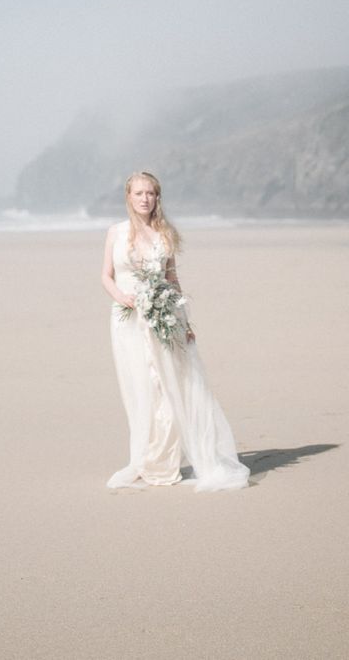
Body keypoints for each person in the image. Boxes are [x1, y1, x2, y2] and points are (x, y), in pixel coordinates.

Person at [101, 171, 250, 492]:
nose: (145, 198)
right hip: (126, 322)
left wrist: (186, 324)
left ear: (157, 198)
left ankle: (163, 464)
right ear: (128, 197)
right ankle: (144, 458)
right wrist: (123, 298)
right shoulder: (115, 232)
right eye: (139, 193)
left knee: (166, 387)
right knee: (138, 390)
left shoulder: (164, 235)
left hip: (163, 320)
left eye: (151, 193)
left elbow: (172, 280)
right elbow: (106, 276)